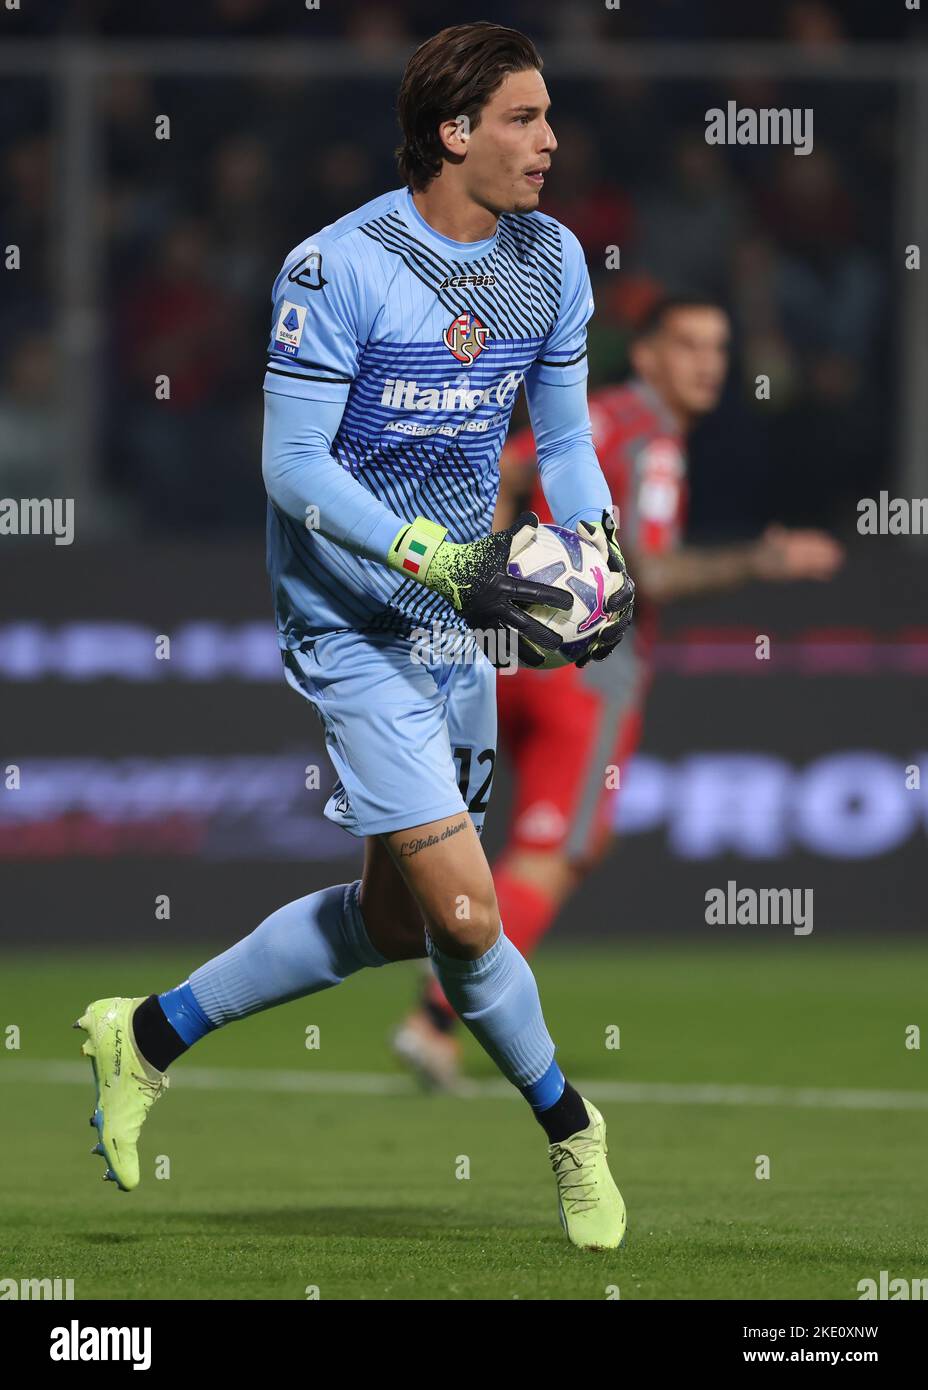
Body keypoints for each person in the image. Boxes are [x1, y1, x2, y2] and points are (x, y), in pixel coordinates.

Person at [74, 23, 635, 1252]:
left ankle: (148, 1031)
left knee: (400, 925)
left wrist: (592, 555)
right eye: (525, 119)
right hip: (351, 620)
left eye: (549, 119)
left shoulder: (550, 261)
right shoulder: (339, 268)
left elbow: (569, 431)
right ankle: (572, 1128)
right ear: (454, 132)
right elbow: (288, 468)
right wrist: (441, 558)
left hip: (463, 623)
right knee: (473, 921)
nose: (550, 142)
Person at [394, 295, 844, 1087]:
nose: (707, 362)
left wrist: (494, 581)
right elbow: (653, 570)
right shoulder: (656, 444)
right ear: (645, 356)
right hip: (592, 668)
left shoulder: (590, 416)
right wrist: (763, 561)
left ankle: (435, 979)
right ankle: (435, 1018)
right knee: (559, 849)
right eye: (687, 344)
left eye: (718, 345)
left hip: (502, 655)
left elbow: (505, 468)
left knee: (490, 831)